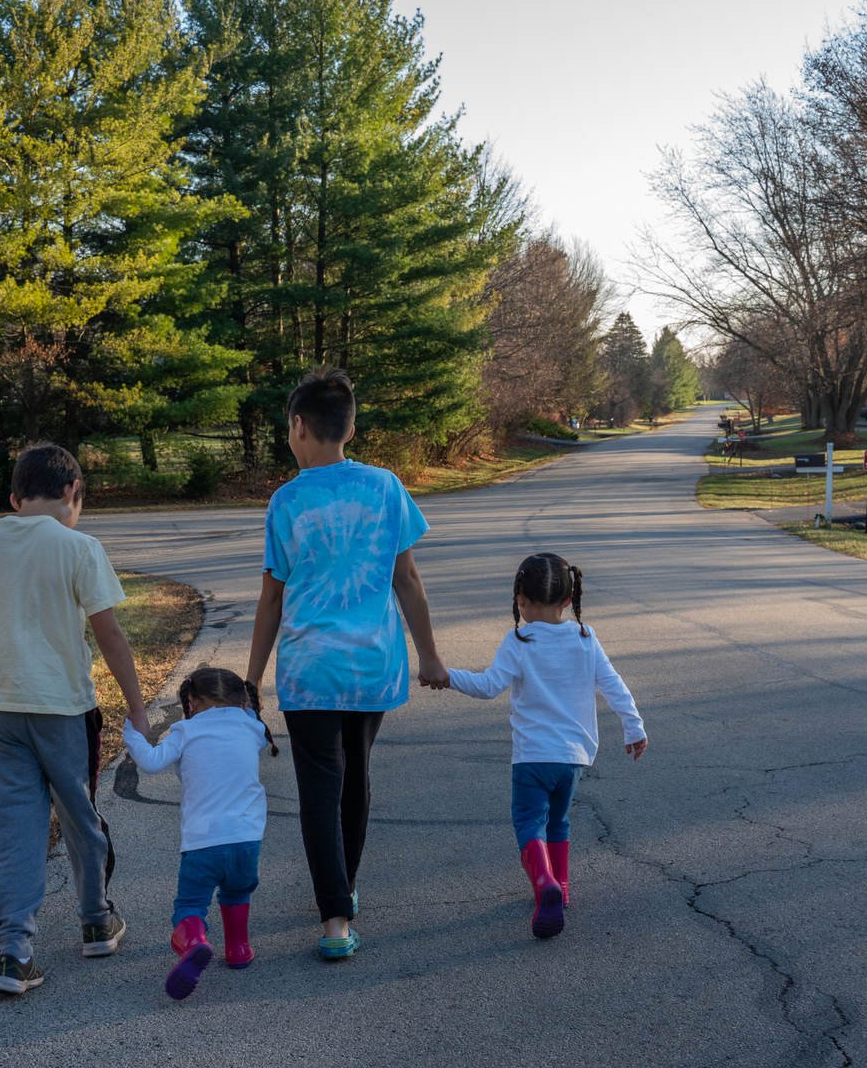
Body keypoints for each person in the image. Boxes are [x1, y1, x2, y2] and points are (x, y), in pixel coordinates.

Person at [0, 443, 152, 995]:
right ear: (74, 492)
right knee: (79, 814)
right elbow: (109, 633)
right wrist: (139, 707)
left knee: (14, 828)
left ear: (13, 498)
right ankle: (97, 919)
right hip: (65, 714)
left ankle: (13, 953)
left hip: (2, 714)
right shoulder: (79, 546)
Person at [245, 367, 448, 960]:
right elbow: (406, 578)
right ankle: (345, 890)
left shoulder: (285, 501)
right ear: (351, 427)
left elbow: (272, 595)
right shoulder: (386, 487)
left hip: (309, 669)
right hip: (372, 664)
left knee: (318, 788)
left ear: (298, 426)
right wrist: (429, 655)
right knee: (355, 779)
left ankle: (334, 915)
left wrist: (252, 679)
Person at [430, 552, 648, 939]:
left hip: (531, 758)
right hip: (572, 759)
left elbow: (489, 686)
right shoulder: (585, 639)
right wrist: (634, 727)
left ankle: (544, 881)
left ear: (520, 599)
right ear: (568, 599)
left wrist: (449, 677)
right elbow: (613, 684)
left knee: (529, 823)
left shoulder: (519, 641)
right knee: (559, 822)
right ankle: (561, 887)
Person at [122, 666, 279, 1000]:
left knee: (191, 904)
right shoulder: (252, 728)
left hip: (202, 841)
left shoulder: (185, 730)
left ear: (191, 703)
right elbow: (256, 732)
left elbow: (151, 762)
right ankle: (238, 949)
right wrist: (247, 710)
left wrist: (132, 735)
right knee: (236, 893)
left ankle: (194, 941)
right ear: (242, 701)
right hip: (247, 840)